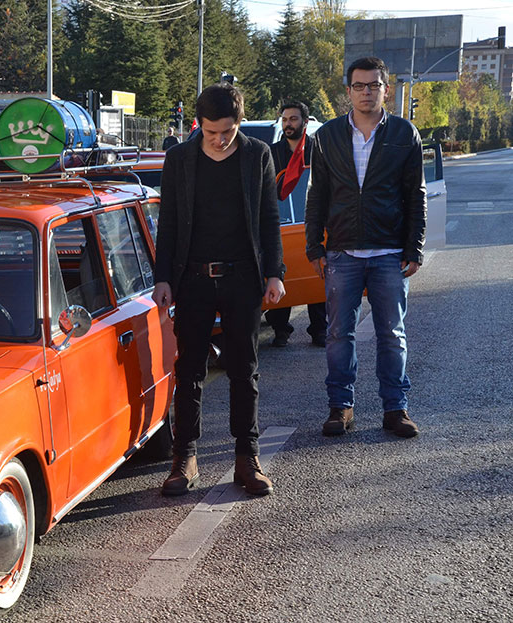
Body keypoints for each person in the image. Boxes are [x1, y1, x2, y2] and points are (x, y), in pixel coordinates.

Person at [153, 83, 286, 497]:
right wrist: (163, 278)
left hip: (242, 277)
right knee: (189, 368)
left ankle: (247, 459)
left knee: (243, 368)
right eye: (210, 131)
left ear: (238, 123)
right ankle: (184, 459)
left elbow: (269, 216)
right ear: (199, 125)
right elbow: (169, 222)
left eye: (226, 130)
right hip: (191, 277)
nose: (218, 139)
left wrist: (274, 273)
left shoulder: (256, 155)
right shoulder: (179, 159)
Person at [304, 56, 426, 438]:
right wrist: (314, 247)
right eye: (360, 86)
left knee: (393, 334)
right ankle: (340, 407)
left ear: (385, 89)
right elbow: (317, 195)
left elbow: (415, 196)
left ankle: (396, 409)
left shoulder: (405, 134)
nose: (367, 92)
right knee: (339, 334)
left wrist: (414, 248)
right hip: (341, 251)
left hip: (389, 251)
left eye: (374, 85)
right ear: (348, 91)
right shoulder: (327, 136)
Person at [265, 101, 327, 347]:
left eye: (293, 119)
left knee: (317, 276)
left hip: (315, 223)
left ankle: (320, 330)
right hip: (282, 225)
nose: (288, 123)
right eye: (285, 119)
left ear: (305, 121)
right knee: (283, 273)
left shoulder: (318, 150)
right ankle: (281, 329)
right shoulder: (271, 152)